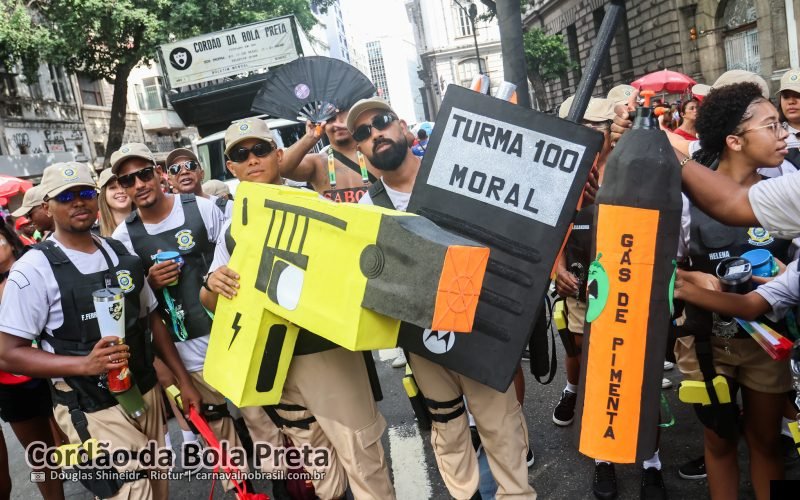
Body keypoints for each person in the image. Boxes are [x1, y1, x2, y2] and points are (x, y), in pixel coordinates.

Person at [199, 118, 396, 500]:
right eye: (241, 154)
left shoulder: (315, 203)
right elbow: (209, 300)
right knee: (320, 471)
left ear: (278, 154)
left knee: (362, 459)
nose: (252, 159)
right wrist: (212, 284)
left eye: (259, 150)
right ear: (231, 168)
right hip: (274, 363)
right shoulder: (231, 224)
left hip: (327, 351)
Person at [351, 97, 536, 499]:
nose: (375, 134)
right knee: (449, 429)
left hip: (480, 327)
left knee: (500, 426)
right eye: (363, 133)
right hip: (423, 339)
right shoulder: (368, 210)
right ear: (360, 151)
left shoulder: (453, 173)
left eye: (380, 122)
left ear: (401, 125)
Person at [0, 162, 201, 500]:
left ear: (96, 199)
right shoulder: (33, 269)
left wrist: (183, 380)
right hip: (90, 405)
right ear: (47, 207)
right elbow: (7, 353)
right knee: (132, 492)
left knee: (157, 489)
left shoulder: (119, 252)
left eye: (84, 193)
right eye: (66, 196)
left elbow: (150, 319)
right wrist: (83, 365)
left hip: (144, 393)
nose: (78, 202)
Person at [107, 143, 253, 491]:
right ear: (122, 188)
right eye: (128, 180)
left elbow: (238, 259)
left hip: (234, 338)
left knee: (265, 424)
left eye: (144, 173)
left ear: (159, 174)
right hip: (186, 353)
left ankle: (288, 486)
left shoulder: (202, 209)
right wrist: (150, 282)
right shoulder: (123, 238)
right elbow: (137, 310)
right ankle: (246, 493)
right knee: (223, 443)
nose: (139, 184)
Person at [671, 82, 792, 500]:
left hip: (769, 340)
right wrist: (687, 277)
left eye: (783, 125)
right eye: (772, 126)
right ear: (734, 141)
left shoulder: (788, 180)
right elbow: (660, 261)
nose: (786, 135)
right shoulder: (687, 196)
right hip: (705, 340)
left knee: (766, 441)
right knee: (719, 441)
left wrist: (789, 270)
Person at [554, 96, 668, 500]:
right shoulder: (565, 171)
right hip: (587, 291)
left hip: (636, 290)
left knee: (644, 372)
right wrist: (559, 269)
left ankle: (651, 461)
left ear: (610, 128)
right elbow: (553, 228)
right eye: (578, 124)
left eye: (593, 124)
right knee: (597, 371)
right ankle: (604, 459)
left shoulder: (633, 162)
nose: (585, 132)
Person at [0, 219, 64, 500]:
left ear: (8, 239)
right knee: (40, 454)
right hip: (13, 384)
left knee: (78, 443)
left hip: (58, 370)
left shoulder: (38, 266)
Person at [280, 109, 380, 200]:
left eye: (344, 118)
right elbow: (281, 169)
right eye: (330, 119)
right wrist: (310, 137)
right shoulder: (317, 163)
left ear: (354, 121)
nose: (337, 124)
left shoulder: (376, 156)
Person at [166, 148, 232, 219]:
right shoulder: (169, 218)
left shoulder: (228, 207)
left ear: (202, 174)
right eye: (175, 169)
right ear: (170, 181)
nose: (184, 172)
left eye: (191, 165)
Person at [97, 169, 132, 238]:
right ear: (104, 195)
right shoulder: (95, 234)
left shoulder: (149, 223)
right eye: (113, 187)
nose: (120, 191)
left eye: (124, 185)